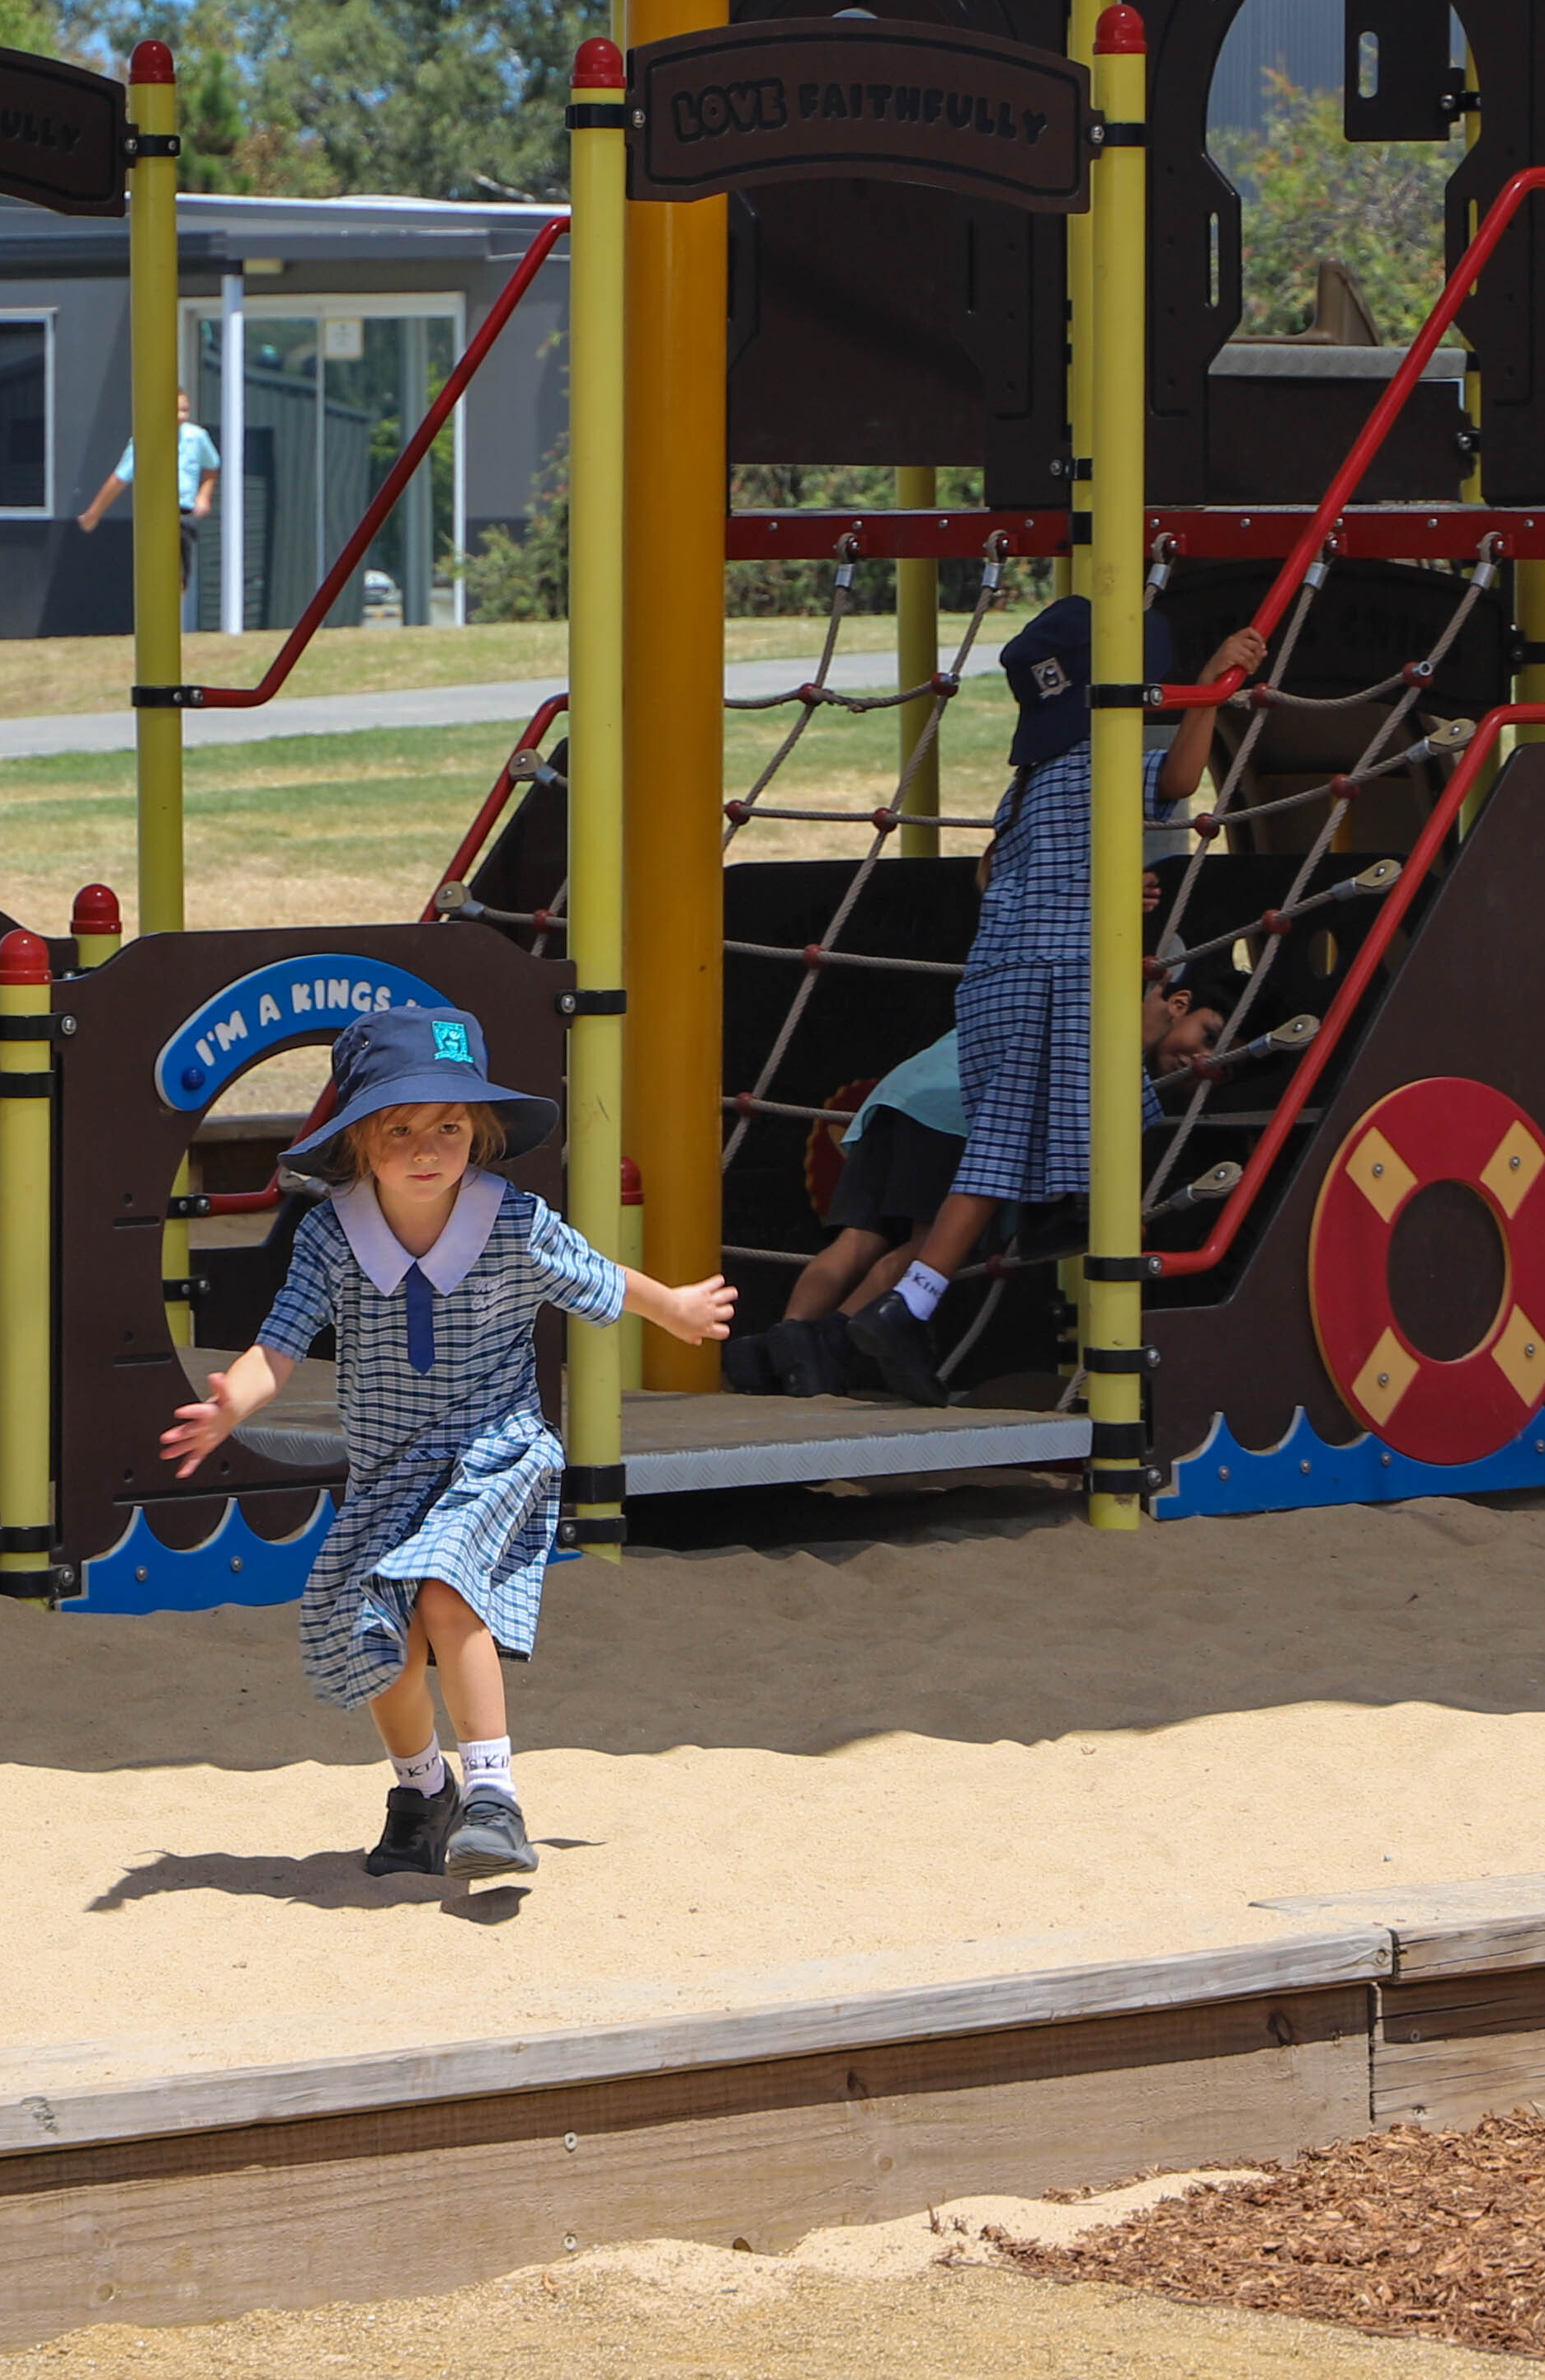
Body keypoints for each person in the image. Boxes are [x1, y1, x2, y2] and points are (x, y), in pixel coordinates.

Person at [160, 1007, 735, 1882]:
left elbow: (600, 1276)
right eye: (400, 1129)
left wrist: (677, 1307)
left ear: (480, 1133)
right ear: (358, 1139)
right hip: (391, 1469)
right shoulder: (332, 1234)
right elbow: (279, 1343)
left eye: (450, 1127)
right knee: (373, 1629)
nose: (427, 1149)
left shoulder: (512, 1221)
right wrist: (230, 1404)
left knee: (443, 1587)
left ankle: (495, 1795)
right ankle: (423, 1791)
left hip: (494, 1452)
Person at [818, 591, 1267, 1400]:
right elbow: (1181, 775)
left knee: (1003, 1145)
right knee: (1105, 1113)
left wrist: (1111, 888)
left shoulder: (1025, 785)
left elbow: (1002, 874)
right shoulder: (1104, 762)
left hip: (995, 980)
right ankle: (977, 1269)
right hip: (1058, 976)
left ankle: (925, 1294)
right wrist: (1209, 686)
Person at [747, 957, 1226, 1398]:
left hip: (903, 1094)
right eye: (1208, 1036)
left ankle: (779, 1349)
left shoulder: (1071, 982)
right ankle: (830, 1346)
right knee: (928, 1245)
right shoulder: (1112, 1024)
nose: (1201, 1060)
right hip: (960, 1109)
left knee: (857, 1240)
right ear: (1178, 1004)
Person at [75, 384, 224, 616]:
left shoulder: (197, 437)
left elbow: (212, 466)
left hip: (184, 511)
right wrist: (94, 513)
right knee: (158, 559)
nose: (182, 416)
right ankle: (157, 604)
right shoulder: (145, 440)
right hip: (155, 512)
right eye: (176, 410)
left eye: (185, 410)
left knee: (181, 561)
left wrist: (204, 495)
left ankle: (175, 599)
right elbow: (119, 479)